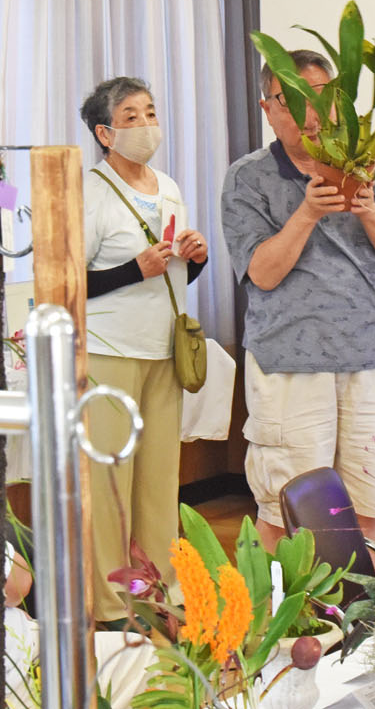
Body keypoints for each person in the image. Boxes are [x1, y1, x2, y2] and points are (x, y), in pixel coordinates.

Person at [221, 49, 375, 550]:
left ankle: (366, 625)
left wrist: (368, 207)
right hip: (289, 361)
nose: (310, 113)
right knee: (286, 512)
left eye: (322, 97)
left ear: (340, 104)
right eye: (291, 101)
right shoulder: (249, 177)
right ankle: (286, 625)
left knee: (369, 507)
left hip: (368, 355)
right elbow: (261, 274)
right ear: (268, 109)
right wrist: (307, 213)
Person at [81, 76, 209, 623]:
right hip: (109, 350)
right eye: (130, 116)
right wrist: (137, 268)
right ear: (104, 132)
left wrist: (195, 258)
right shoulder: (89, 190)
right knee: (110, 481)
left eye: (150, 112)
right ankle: (107, 603)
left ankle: (158, 591)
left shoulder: (169, 185)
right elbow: (70, 283)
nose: (146, 125)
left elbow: (174, 275)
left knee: (159, 480)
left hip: (164, 350)